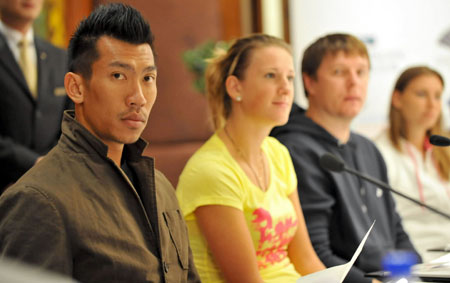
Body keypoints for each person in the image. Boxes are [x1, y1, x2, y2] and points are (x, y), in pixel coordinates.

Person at [0, 3, 200, 282]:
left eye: (148, 78)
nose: (138, 97)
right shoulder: (38, 201)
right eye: (118, 76)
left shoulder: (162, 187)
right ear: (76, 88)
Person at [176, 34, 325, 283]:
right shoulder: (211, 171)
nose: (286, 88)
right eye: (271, 76)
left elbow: (306, 259)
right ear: (235, 87)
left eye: (289, 77)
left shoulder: (277, 153)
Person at [271, 33, 419, 283]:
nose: (354, 83)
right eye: (339, 72)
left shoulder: (368, 148)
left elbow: (395, 230)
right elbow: (315, 253)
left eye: (361, 72)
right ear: (310, 82)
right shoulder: (293, 150)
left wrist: (418, 274)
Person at [374, 66, 450, 262]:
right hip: (414, 261)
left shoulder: (445, 147)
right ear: (397, 99)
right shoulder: (378, 152)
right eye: (422, 94)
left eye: (437, 96)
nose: (432, 104)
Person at [0, 0, 72, 193]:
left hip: (54, 183)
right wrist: (31, 162)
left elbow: (72, 122)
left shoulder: (60, 58)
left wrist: (51, 162)